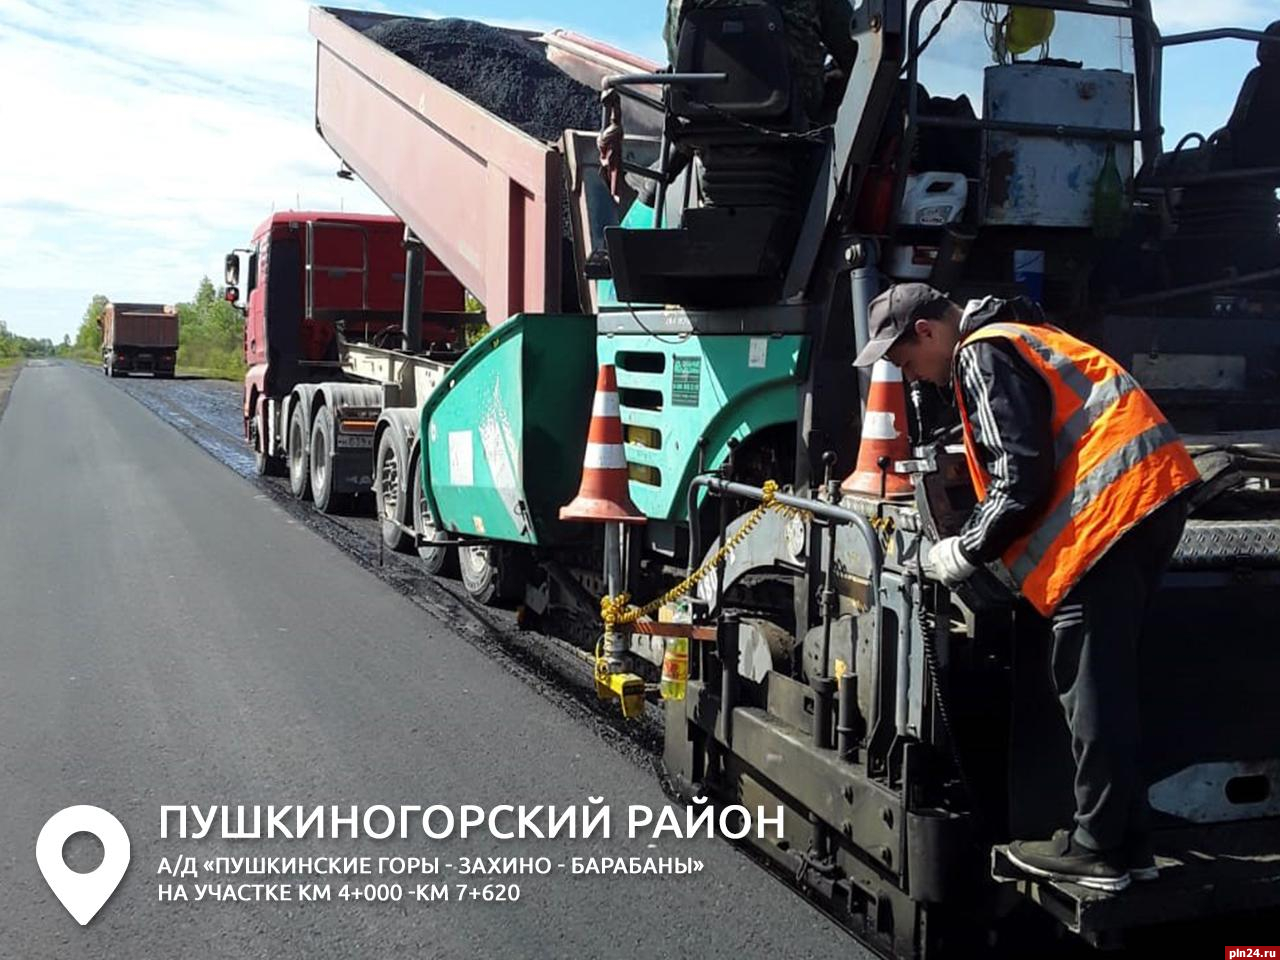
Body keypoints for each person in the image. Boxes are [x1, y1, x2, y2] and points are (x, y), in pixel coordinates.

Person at [853, 283, 1200, 892]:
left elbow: (1020, 474)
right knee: (1107, 682)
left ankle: (1098, 849)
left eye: (908, 360)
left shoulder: (979, 353)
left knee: (1088, 687)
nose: (914, 377)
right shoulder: (1023, 335)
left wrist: (964, 548)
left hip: (1110, 520)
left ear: (928, 332)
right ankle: (1130, 842)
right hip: (1145, 503)